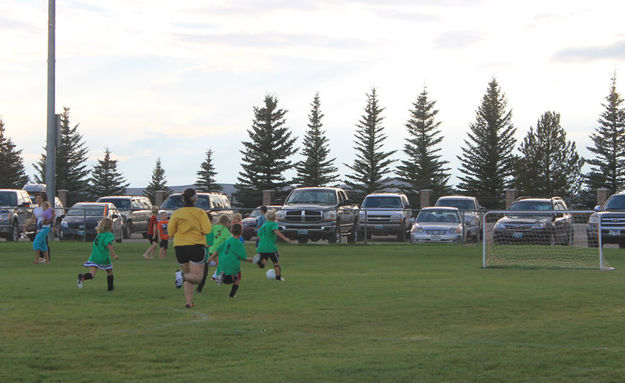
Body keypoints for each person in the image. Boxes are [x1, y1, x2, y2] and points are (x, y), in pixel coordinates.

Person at [168, 188, 212, 308]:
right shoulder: (200, 213)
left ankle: (188, 302)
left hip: (180, 247)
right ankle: (180, 276)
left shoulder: (177, 213)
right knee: (197, 278)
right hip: (196, 246)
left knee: (189, 275)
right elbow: (207, 230)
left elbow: (170, 231)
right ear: (195, 199)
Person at [209, 223, 253, 298]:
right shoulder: (239, 243)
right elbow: (243, 257)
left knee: (228, 276)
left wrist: (209, 259)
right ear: (241, 232)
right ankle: (231, 295)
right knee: (237, 279)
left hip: (222, 263)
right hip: (232, 264)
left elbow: (218, 250)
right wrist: (251, 260)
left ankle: (221, 276)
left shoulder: (228, 240)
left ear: (231, 231)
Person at [77, 217, 119, 291]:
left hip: (94, 257)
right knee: (110, 271)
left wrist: (110, 247)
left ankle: (83, 276)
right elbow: (108, 245)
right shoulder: (108, 235)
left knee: (92, 275)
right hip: (103, 257)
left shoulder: (99, 235)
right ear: (110, 227)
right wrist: (114, 255)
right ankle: (110, 288)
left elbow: (102, 244)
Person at [256, 209, 290, 281]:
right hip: (270, 247)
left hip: (261, 247)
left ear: (266, 217)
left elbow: (258, 236)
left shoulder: (263, 225)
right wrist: (284, 238)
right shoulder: (274, 224)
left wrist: (263, 241)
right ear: (274, 218)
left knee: (264, 262)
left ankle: (260, 261)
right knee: (276, 263)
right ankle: (278, 278)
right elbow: (276, 231)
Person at [24, 192, 55, 262]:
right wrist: (25, 227)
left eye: (40, 198)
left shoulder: (45, 207)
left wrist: (48, 221)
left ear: (43, 199)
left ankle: (37, 259)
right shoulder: (36, 208)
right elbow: (32, 219)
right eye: (37, 198)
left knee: (36, 243)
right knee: (43, 243)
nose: (38, 200)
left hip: (44, 227)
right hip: (39, 227)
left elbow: (52, 214)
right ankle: (47, 260)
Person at [195, 212, 214, 294]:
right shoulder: (209, 229)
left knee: (195, 271)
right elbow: (208, 244)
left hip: (194, 252)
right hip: (203, 255)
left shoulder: (197, 228)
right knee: (204, 274)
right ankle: (198, 290)